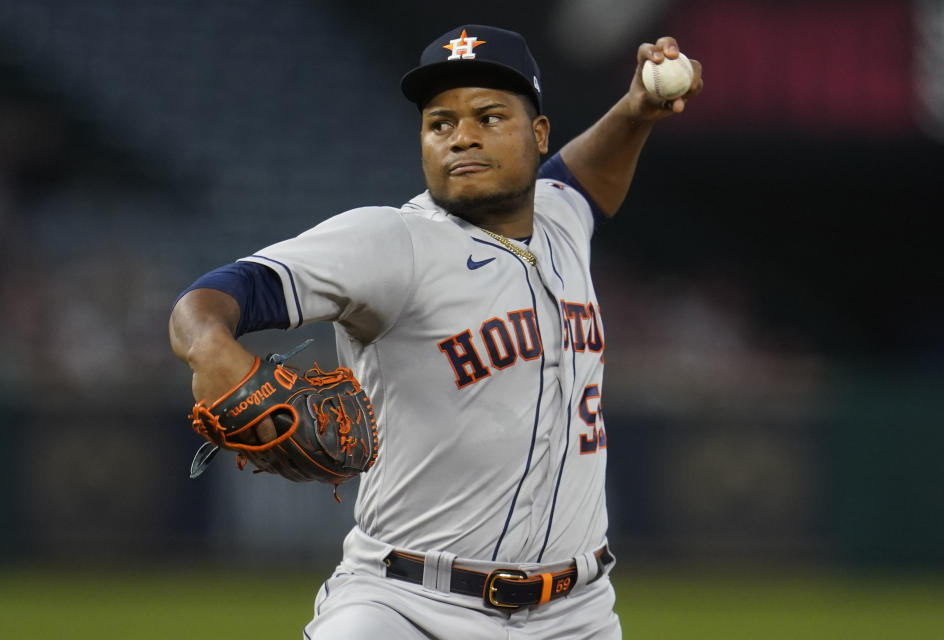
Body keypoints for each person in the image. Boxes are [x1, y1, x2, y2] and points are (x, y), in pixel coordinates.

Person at [169, 24, 702, 640]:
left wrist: (636, 112)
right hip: (406, 605)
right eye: (440, 123)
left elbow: (585, 178)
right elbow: (216, 295)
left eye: (489, 115)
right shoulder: (393, 242)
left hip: (575, 613)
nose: (462, 136)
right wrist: (210, 347)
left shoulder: (560, 219)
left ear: (538, 135)